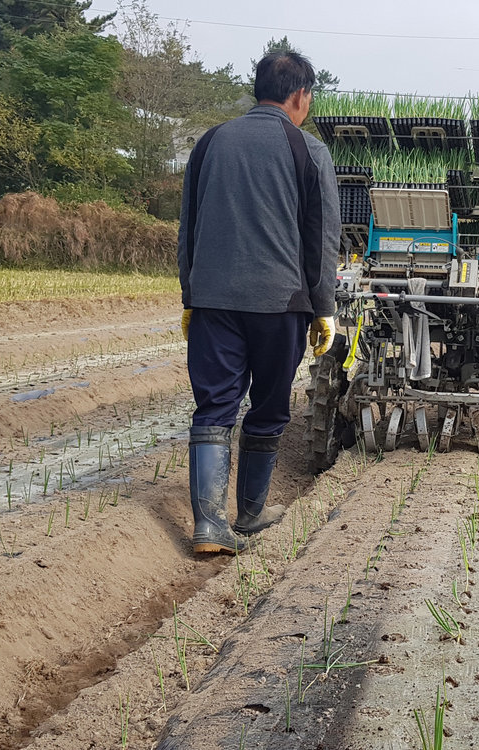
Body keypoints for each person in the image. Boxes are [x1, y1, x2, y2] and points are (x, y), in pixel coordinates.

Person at [177, 51, 340, 554]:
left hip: (212, 301)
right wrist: (324, 307)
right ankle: (249, 513)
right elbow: (320, 239)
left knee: (214, 406)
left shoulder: (210, 143)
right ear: (300, 95)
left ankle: (208, 526)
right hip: (280, 304)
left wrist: (190, 295)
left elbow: (190, 227)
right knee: (267, 409)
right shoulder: (308, 151)